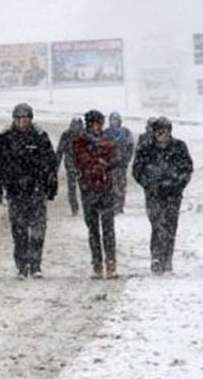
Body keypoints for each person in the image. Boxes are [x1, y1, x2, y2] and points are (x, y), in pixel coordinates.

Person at [0, 102, 57, 279]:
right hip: (15, 191)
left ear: (30, 119)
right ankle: (21, 265)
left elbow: (51, 163)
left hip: (37, 190)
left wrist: (50, 187)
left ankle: (35, 265)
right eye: (18, 118)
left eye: (25, 118)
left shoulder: (40, 136)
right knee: (19, 230)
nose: (21, 122)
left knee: (37, 231)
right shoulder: (5, 137)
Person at [132, 117, 193, 274]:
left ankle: (167, 258)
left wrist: (177, 184)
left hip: (173, 194)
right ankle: (156, 257)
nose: (162, 135)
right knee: (157, 225)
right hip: (154, 194)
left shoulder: (179, 147)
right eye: (159, 132)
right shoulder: (145, 149)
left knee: (170, 226)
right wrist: (149, 184)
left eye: (165, 132)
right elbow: (137, 171)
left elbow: (186, 169)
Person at [72, 110, 119, 279]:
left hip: (105, 188)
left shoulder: (107, 140)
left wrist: (100, 163)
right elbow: (82, 161)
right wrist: (100, 162)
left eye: (100, 124)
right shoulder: (80, 141)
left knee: (108, 228)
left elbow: (115, 158)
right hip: (89, 189)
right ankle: (97, 262)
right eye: (95, 124)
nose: (98, 127)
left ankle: (111, 261)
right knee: (93, 229)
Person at [105, 111, 134, 213]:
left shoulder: (126, 132)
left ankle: (120, 205)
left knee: (121, 185)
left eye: (116, 119)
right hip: (110, 164)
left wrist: (127, 158)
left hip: (122, 164)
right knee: (111, 185)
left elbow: (131, 146)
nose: (115, 122)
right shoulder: (106, 133)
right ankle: (113, 204)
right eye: (113, 119)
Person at [56, 117, 84, 215]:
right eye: (74, 125)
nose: (75, 128)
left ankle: (87, 207)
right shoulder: (66, 135)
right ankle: (74, 208)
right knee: (71, 189)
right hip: (70, 165)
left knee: (85, 188)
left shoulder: (85, 135)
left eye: (77, 125)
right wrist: (55, 168)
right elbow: (60, 151)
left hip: (83, 166)